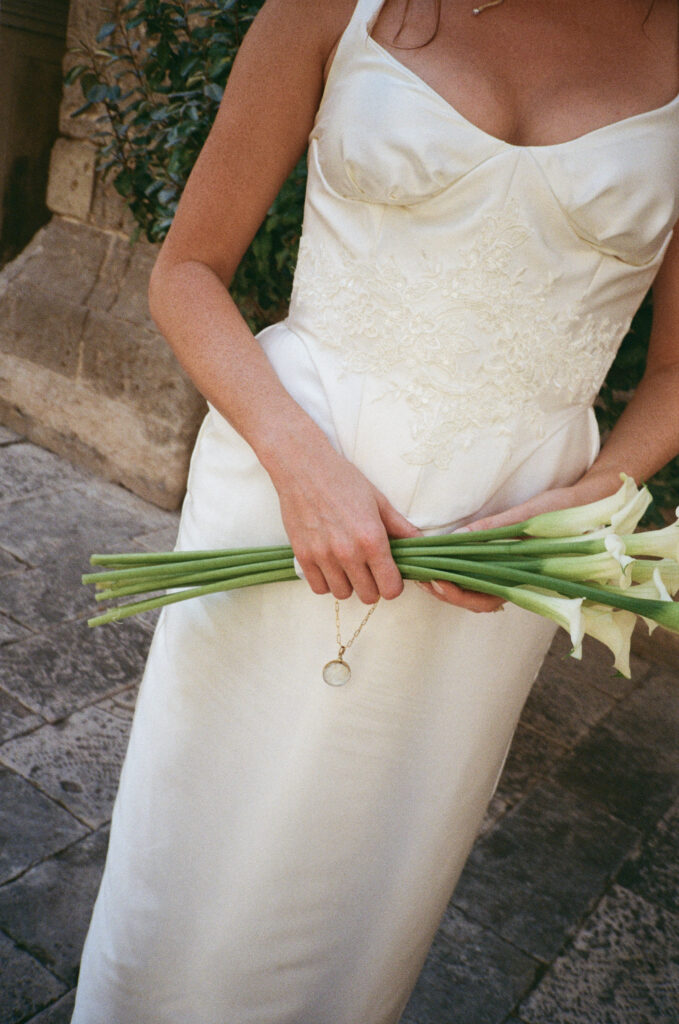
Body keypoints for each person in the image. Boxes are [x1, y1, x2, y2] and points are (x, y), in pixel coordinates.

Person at [71, 1, 679, 1021]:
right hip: (278, 486)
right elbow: (186, 272)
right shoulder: (329, 8)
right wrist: (300, 464)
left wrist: (592, 495)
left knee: (361, 878)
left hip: (503, 550)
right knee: (195, 849)